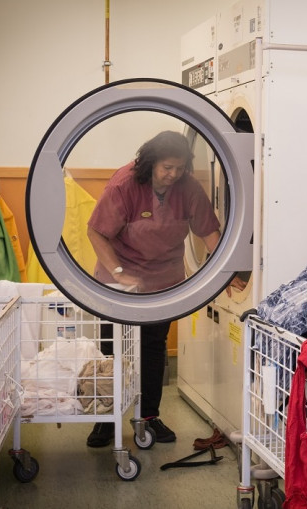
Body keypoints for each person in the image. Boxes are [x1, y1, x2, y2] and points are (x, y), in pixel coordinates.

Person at [85, 130, 224, 447]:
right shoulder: (125, 184)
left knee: (152, 346)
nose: (173, 175)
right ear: (150, 164)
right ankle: (106, 420)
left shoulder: (187, 187)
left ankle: (148, 417)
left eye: (179, 168)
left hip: (164, 280)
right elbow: (96, 232)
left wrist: (226, 274)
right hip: (119, 276)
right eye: (167, 168)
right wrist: (119, 273)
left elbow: (209, 232)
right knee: (113, 348)